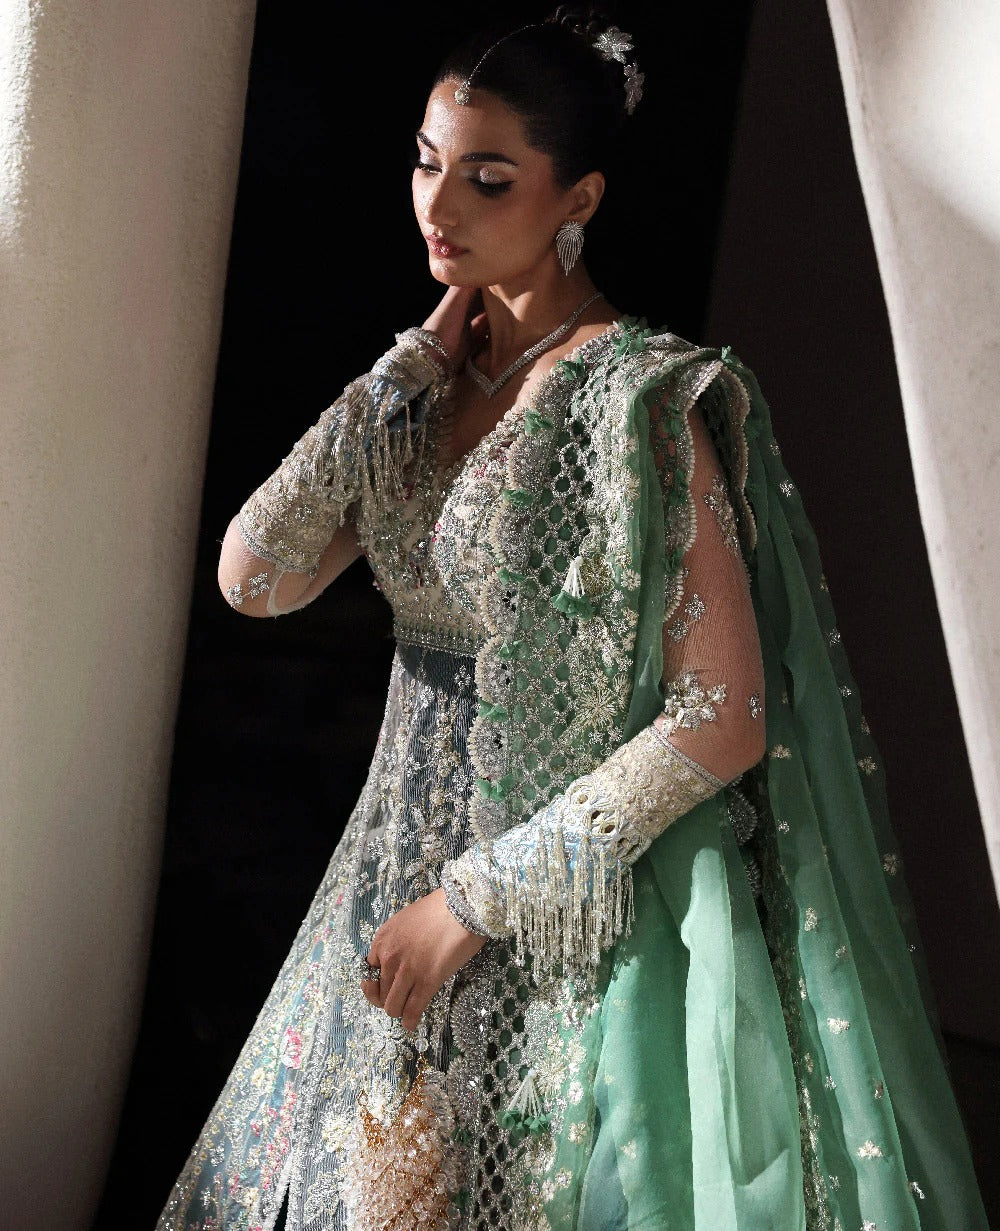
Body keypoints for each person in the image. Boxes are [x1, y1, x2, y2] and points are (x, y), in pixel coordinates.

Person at [156, 10, 989, 1231]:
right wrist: (401, 369)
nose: (440, 203)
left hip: (564, 914)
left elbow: (723, 716)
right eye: (426, 161)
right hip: (385, 882)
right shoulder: (418, 396)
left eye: (489, 177)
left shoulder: (637, 401)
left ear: (577, 194)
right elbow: (255, 576)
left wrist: (477, 901)